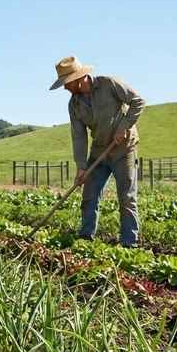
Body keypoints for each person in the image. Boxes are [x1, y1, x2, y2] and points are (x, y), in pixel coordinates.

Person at [49, 56, 144, 248]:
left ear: (78, 78)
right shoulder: (74, 105)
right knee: (89, 196)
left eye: (67, 84)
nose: (65, 88)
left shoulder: (109, 84)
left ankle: (130, 245)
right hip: (100, 150)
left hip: (123, 149)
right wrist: (81, 167)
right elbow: (79, 136)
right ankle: (85, 240)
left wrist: (123, 127)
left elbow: (138, 102)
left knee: (126, 197)